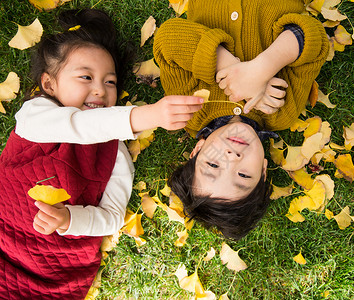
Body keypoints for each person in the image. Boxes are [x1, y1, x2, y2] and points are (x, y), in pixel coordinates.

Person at [0, 9, 203, 299]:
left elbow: (112, 216)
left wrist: (70, 219)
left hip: (51, 269)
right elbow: (79, 127)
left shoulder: (115, 152)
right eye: (86, 77)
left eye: (110, 82)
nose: (100, 90)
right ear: (49, 84)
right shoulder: (35, 114)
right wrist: (147, 116)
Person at [153, 0, 329, 240]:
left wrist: (235, 72)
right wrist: (262, 69)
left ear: (198, 150)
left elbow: (168, 38)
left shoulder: (190, 108)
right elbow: (313, 36)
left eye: (213, 166)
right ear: (264, 171)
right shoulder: (283, 110)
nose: (232, 158)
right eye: (244, 176)